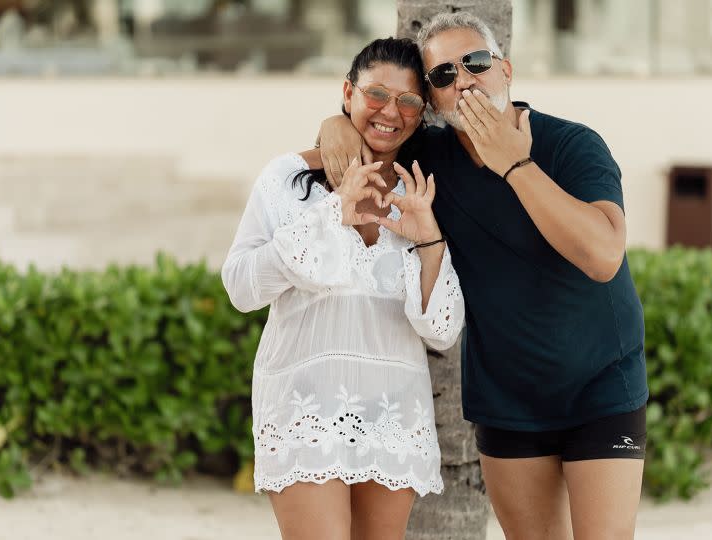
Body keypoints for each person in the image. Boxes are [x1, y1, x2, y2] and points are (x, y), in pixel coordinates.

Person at [317, 13, 648, 540]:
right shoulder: (430, 156)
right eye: (444, 76)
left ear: (506, 70)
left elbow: (604, 255)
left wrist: (513, 164)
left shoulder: (573, 145)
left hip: (601, 384)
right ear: (432, 99)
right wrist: (336, 122)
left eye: (475, 63)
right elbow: (364, 143)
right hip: (506, 395)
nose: (464, 80)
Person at [221, 37, 464, 540]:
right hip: (304, 408)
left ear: (421, 113)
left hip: (395, 412)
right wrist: (332, 212)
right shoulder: (288, 178)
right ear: (348, 92)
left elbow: (442, 330)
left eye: (408, 101)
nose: (390, 112)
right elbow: (241, 287)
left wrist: (430, 241)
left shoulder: (421, 193)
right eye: (376, 94)